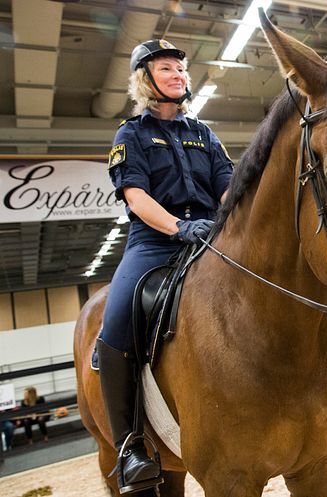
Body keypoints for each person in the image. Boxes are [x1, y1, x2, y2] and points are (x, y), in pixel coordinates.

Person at [99, 39, 233, 493]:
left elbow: (228, 189)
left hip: (211, 237)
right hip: (154, 243)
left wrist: (231, 222)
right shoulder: (130, 134)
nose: (178, 74)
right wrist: (178, 227)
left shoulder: (204, 133)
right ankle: (129, 445)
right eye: (167, 68)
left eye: (180, 67)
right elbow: (136, 198)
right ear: (145, 79)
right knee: (116, 321)